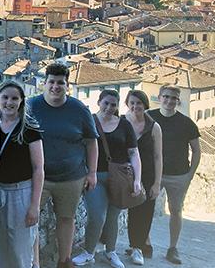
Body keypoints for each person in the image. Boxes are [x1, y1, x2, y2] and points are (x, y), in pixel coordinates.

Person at [26, 62, 98, 268]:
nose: (55, 86)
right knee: (32, 221)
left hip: (72, 177)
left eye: (60, 82)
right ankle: (34, 263)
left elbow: (92, 142)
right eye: (52, 82)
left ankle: (64, 261)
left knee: (67, 219)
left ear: (67, 85)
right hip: (38, 177)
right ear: (44, 83)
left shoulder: (79, 110)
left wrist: (92, 172)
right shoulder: (31, 106)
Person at [71, 90, 141, 268]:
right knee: (97, 216)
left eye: (113, 104)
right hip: (94, 177)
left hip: (119, 178)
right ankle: (89, 252)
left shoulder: (124, 125)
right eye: (106, 103)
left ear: (117, 106)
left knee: (113, 217)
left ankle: (110, 251)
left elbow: (133, 153)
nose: (109, 107)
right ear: (99, 102)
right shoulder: (90, 121)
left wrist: (137, 179)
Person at [0, 81, 44, 268]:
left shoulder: (29, 128)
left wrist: (34, 206)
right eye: (5, 97)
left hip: (21, 193)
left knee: (21, 250)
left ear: (21, 101)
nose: (9, 102)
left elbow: (38, 168)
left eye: (14, 98)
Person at [146, 85, 200, 265]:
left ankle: (172, 248)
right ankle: (144, 243)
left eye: (173, 98)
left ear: (178, 101)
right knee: (145, 208)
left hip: (178, 175)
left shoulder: (186, 123)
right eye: (166, 97)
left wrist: (190, 175)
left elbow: (197, 151)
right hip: (154, 173)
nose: (169, 101)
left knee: (176, 210)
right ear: (159, 97)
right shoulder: (149, 117)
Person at [124, 90, 163, 266]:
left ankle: (137, 247)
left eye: (138, 103)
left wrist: (157, 183)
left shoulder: (154, 127)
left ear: (145, 105)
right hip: (124, 175)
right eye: (132, 102)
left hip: (147, 176)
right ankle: (125, 245)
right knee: (127, 211)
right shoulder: (123, 122)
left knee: (145, 212)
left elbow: (158, 157)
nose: (135, 106)